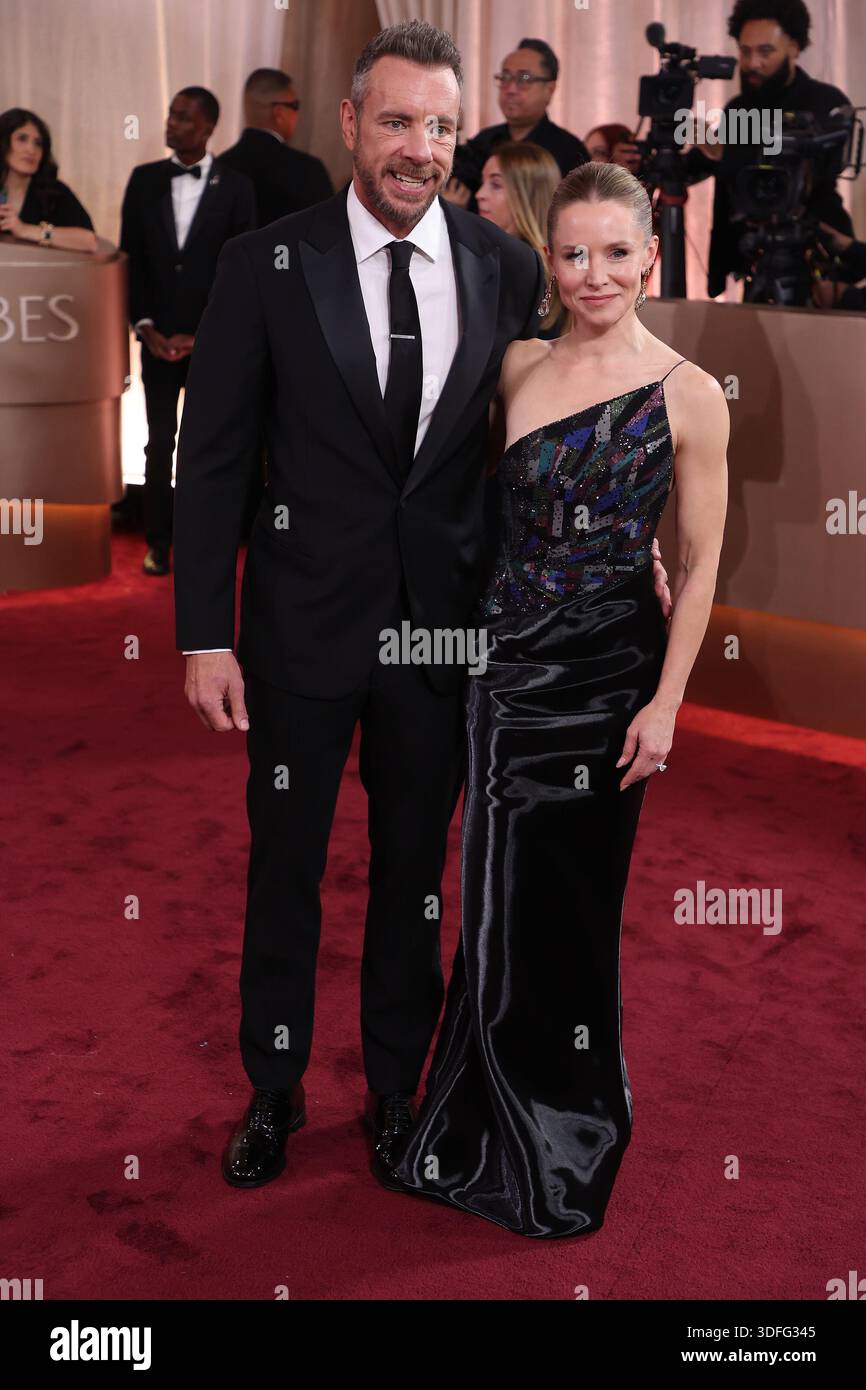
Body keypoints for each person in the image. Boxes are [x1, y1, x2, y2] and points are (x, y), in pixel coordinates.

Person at [171, 20, 673, 1192]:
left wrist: (623, 544)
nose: (417, 147)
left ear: (462, 135)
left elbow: (543, 435)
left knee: (414, 873)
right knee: (285, 864)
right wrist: (203, 631)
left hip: (442, 632)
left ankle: (396, 1089)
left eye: (439, 126)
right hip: (298, 627)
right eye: (394, 120)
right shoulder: (268, 263)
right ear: (350, 122)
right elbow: (212, 462)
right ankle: (275, 1086)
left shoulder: (502, 265)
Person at [382, 160, 729, 1238]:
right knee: (491, 900)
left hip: (612, 677)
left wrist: (666, 702)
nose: (592, 274)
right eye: (572, 253)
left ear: (649, 259)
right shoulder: (515, 365)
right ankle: (476, 1117)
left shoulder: (688, 391)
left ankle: (568, 1126)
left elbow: (703, 558)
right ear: (553, 258)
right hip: (508, 667)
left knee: (576, 911)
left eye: (614, 253)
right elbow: (460, 500)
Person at [119, 87, 256, 578]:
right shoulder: (144, 180)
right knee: (158, 444)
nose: (171, 123)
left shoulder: (237, 187)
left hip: (211, 345)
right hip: (156, 342)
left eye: (183, 117)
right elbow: (128, 261)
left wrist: (206, 336)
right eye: (171, 114)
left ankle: (204, 546)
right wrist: (145, 325)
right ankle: (157, 543)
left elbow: (241, 274)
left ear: (208, 127)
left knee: (207, 449)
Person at [682, 0, 854, 299]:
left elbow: (818, 167)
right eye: (745, 52)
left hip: (816, 262)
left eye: (765, 52)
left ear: (795, 47)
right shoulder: (738, 109)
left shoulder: (825, 101)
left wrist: (728, 153)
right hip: (753, 262)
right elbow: (705, 162)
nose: (753, 64)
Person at [447, 38, 588, 212]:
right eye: (505, 77)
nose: (511, 88)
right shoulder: (483, 142)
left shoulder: (569, 151)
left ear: (550, 89)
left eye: (524, 78)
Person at [219, 68, 333, 228]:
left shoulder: (219, 168)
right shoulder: (307, 170)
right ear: (278, 113)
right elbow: (326, 233)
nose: (297, 114)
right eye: (295, 105)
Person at [475, 141, 565, 338]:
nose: (479, 194)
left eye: (496, 185)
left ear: (528, 195)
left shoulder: (524, 267)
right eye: (483, 183)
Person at [0, 108, 96, 252]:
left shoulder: (53, 192)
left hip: (41, 273)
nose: (31, 150)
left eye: (38, 143)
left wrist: (26, 230)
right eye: (22, 139)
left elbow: (89, 241)